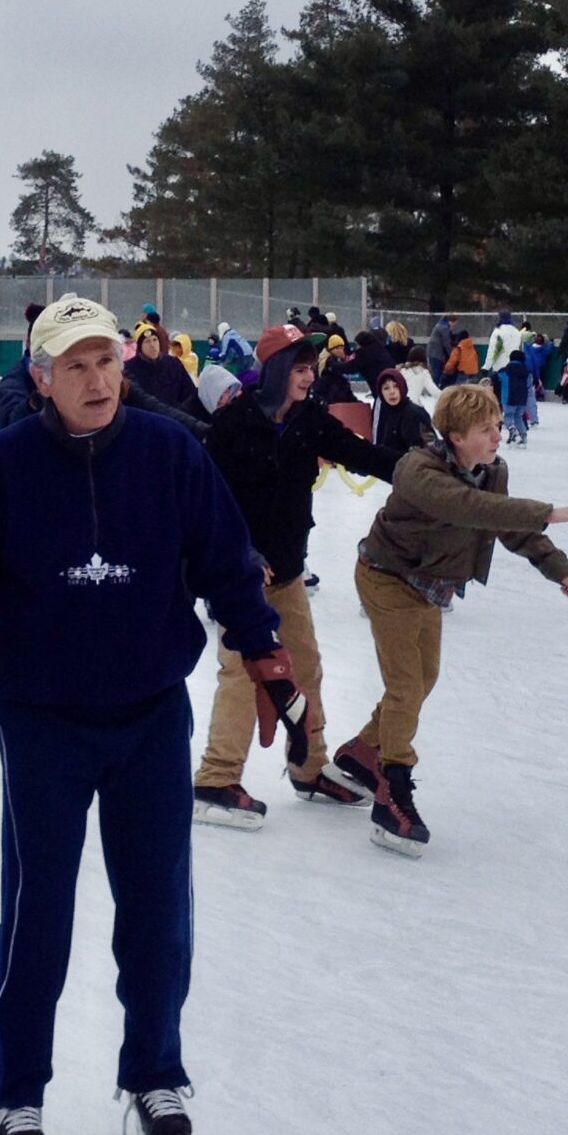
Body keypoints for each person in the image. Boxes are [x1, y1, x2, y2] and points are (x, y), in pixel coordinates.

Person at [0, 295, 289, 1135]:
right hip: (44, 721)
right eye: (75, 366)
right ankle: (16, 1089)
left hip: (151, 715)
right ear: (42, 377)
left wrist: (266, 653)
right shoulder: (4, 464)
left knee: (158, 908)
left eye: (107, 362)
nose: (96, 379)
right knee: (37, 912)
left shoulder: (169, 454)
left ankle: (155, 1072)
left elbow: (226, 560)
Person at [338, 382, 568, 854]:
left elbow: (502, 523)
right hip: (386, 577)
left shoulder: (492, 472)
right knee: (406, 687)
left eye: (498, 425)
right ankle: (392, 790)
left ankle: (360, 752)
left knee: (423, 679)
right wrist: (548, 513)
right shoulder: (417, 470)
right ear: (454, 435)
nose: (498, 436)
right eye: (486, 428)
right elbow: (467, 507)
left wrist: (557, 567)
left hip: (428, 587)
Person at [191, 324, 398, 827]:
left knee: (305, 667)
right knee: (243, 673)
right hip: (238, 577)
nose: (310, 378)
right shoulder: (234, 425)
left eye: (311, 369)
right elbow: (208, 503)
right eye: (301, 370)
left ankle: (308, 768)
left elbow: (364, 456)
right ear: (278, 370)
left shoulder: (310, 420)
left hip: (284, 573)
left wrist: (421, 469)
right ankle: (216, 777)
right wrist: (244, 552)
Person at [369, 365, 433, 456]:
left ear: (402, 387)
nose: (392, 392)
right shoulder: (391, 412)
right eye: (386, 388)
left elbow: (422, 454)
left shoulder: (412, 414)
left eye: (396, 386)